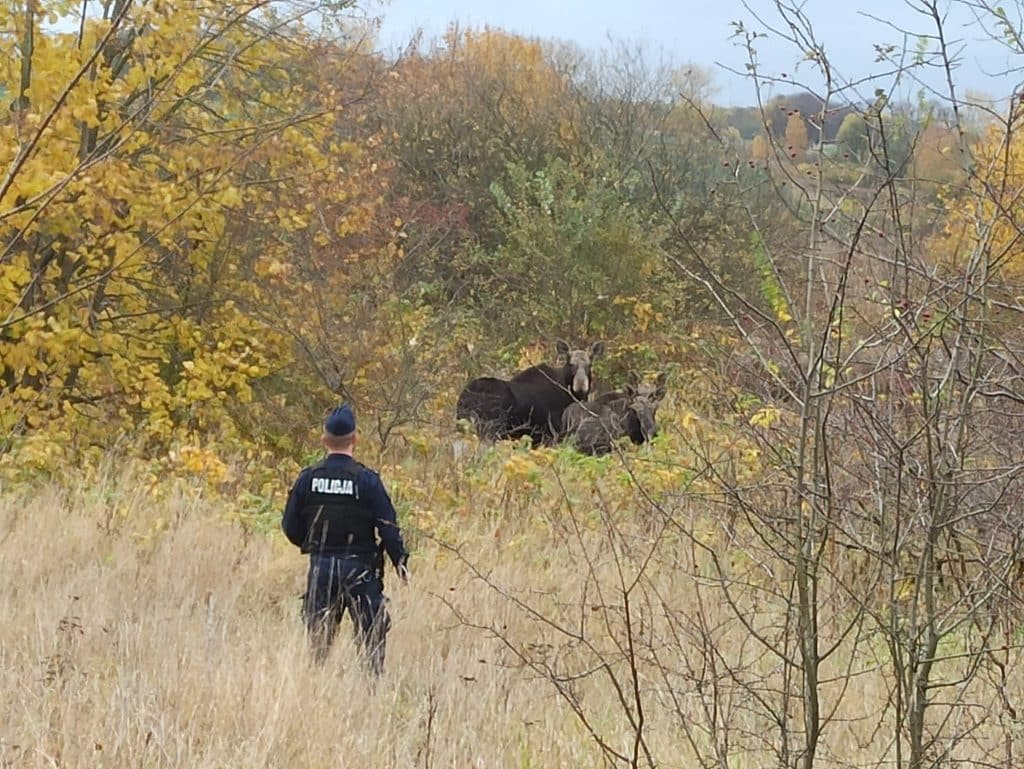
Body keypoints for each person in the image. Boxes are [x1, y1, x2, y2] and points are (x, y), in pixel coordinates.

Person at [282, 404, 409, 673]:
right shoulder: (367, 481)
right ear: (355, 439)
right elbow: (388, 527)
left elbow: (290, 526)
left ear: (324, 440)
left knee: (318, 644)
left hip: (322, 569)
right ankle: (370, 692)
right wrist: (400, 561)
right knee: (372, 640)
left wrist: (313, 545)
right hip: (361, 570)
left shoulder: (308, 479)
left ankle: (315, 689)